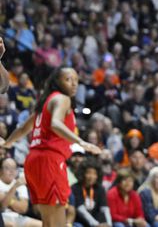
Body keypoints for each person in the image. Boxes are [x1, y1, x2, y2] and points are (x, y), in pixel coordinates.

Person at [1, 67, 102, 227]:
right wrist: (81, 142)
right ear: (57, 82)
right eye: (68, 79)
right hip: (50, 161)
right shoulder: (62, 99)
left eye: (76, 80)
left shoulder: (44, 103)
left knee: (48, 222)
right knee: (58, 223)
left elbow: (22, 130)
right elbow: (56, 124)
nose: (74, 84)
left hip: (33, 161)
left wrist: (6, 143)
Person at [0, 158, 41, 227]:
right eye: (7, 167)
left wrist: (8, 199)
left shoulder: (20, 184)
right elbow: (3, 206)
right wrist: (14, 187)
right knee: (11, 225)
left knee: (43, 224)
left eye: (14, 168)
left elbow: (23, 209)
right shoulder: (17, 184)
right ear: (0, 170)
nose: (11, 171)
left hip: (18, 217)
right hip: (3, 216)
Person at [71, 159, 112, 227]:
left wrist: (109, 224)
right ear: (83, 173)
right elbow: (80, 209)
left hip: (97, 221)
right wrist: (96, 224)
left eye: (94, 173)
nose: (91, 176)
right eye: (88, 173)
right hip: (80, 222)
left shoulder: (100, 189)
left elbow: (105, 208)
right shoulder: (75, 188)